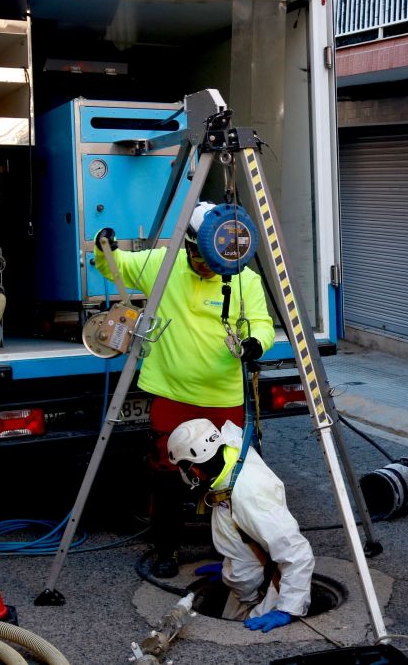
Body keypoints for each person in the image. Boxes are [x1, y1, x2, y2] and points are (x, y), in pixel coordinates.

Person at [94, 201, 275, 578]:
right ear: (189, 245)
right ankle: (166, 548)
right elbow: (113, 266)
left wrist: (255, 343)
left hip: (224, 397)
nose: (209, 266)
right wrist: (102, 244)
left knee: (230, 477)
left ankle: (235, 549)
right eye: (201, 257)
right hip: (172, 393)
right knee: (165, 474)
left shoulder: (245, 279)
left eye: (218, 261)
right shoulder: (162, 265)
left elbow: (262, 323)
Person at [167, 417, 313, 631]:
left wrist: (288, 608)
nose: (183, 474)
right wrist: (234, 564)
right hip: (247, 582)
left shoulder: (249, 493)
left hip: (268, 587)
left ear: (195, 469)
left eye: (182, 467)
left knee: (241, 641)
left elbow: (297, 553)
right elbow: (241, 527)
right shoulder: (230, 460)